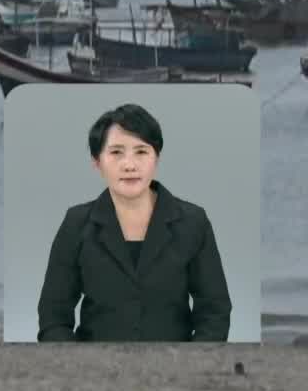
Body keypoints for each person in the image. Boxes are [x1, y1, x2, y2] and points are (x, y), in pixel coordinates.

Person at [37, 103, 232, 342]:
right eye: (116, 152)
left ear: (156, 157)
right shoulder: (76, 223)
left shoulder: (193, 222)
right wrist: (78, 367)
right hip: (93, 368)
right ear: (97, 162)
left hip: (176, 365)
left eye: (141, 151)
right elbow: (53, 315)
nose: (129, 165)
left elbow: (215, 311)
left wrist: (192, 364)